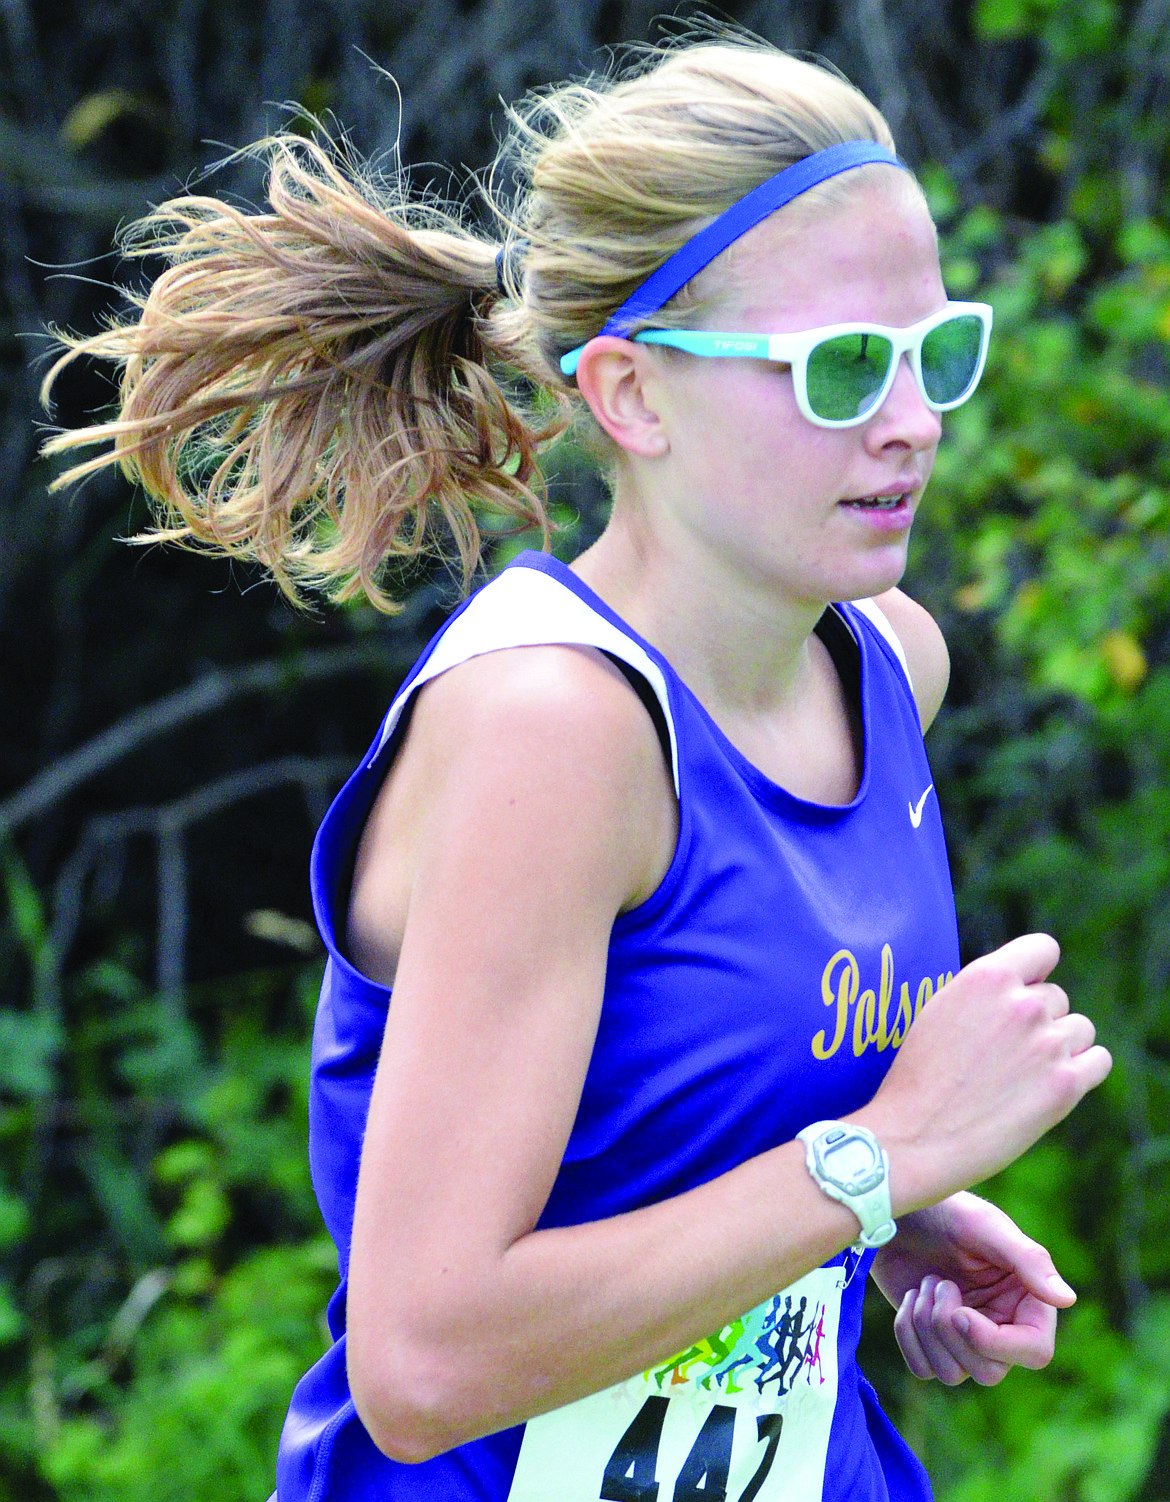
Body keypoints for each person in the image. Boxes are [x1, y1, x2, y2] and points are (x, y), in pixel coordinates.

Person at [43, 38, 1113, 1502]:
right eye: (841, 367)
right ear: (630, 392)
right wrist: (876, 1158)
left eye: (939, 352)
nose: (913, 418)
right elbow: (422, 1364)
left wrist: (880, 1223)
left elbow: (669, 1143)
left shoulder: (887, 665)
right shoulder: (560, 730)